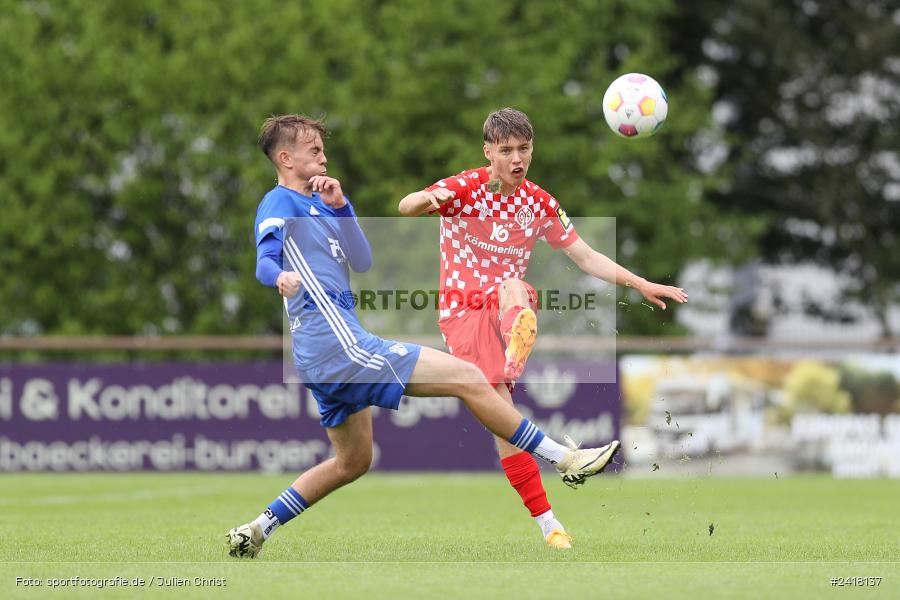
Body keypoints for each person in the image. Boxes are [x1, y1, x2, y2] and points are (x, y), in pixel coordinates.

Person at [226, 114, 621, 559]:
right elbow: (264, 259)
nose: (324, 156)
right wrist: (278, 276)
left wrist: (341, 207)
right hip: (337, 345)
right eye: (314, 150)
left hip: (326, 353)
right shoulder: (278, 204)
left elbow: (362, 259)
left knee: (352, 462)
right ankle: (563, 458)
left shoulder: (321, 203)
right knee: (469, 377)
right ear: (285, 158)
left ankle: (257, 528)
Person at [397, 107, 688, 549]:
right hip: (461, 313)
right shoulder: (465, 187)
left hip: (506, 305)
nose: (517, 158)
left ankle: (515, 354)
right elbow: (405, 205)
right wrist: (423, 201)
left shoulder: (540, 202)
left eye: (524, 149)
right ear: (488, 152)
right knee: (505, 423)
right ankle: (550, 525)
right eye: (507, 150)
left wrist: (639, 282)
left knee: (514, 286)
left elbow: (587, 257)